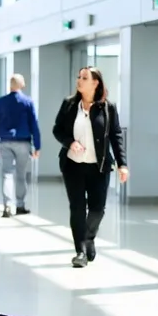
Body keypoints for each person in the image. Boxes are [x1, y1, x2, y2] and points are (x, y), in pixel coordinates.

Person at [52, 67, 129, 269]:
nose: (79, 80)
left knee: (97, 209)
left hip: (99, 167)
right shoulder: (69, 104)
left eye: (84, 78)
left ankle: (89, 238)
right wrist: (70, 142)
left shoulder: (108, 108)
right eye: (78, 77)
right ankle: (80, 251)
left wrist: (123, 164)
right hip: (73, 166)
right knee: (77, 208)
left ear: (95, 83)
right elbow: (57, 129)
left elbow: (116, 136)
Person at [0, 74, 41, 218]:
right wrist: (37, 145)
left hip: (4, 143)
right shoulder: (28, 102)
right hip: (23, 143)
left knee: (6, 175)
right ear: (22, 85)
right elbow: (34, 124)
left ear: (10, 85)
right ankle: (20, 205)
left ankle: (7, 206)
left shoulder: (0, 102)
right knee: (21, 175)